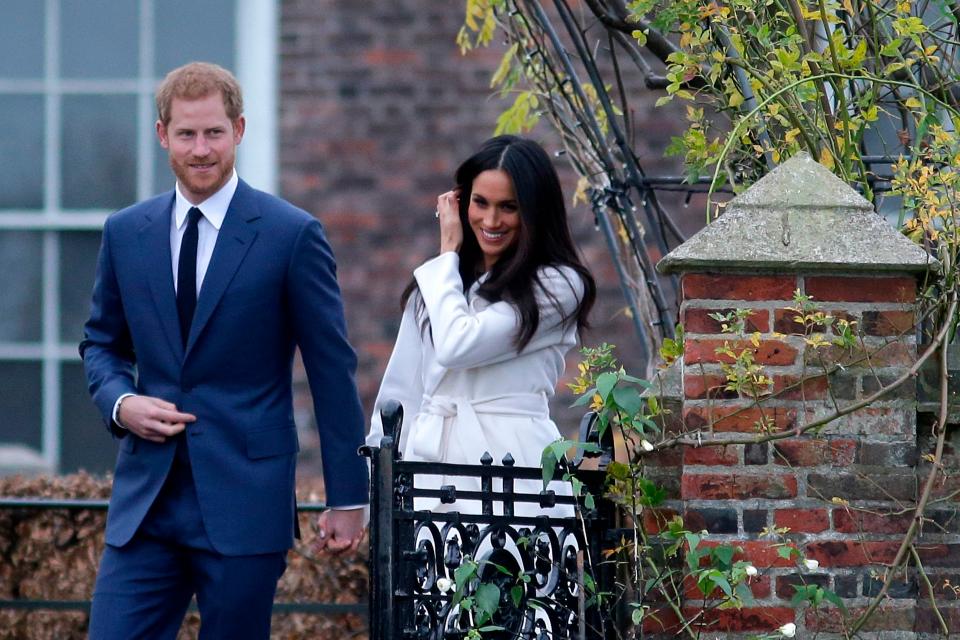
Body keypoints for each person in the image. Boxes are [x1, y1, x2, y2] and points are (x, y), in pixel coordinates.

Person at [79, 62, 368, 639]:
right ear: (163, 135)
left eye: (214, 132)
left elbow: (332, 371)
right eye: (186, 134)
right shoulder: (125, 232)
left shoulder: (291, 234)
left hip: (245, 498)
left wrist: (346, 497)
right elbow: (100, 345)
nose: (201, 149)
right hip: (147, 503)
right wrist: (121, 403)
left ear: (239, 129)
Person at [365, 135, 596, 515]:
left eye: (509, 207)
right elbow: (401, 392)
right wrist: (380, 490)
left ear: (534, 212)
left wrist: (446, 256)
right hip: (432, 471)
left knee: (516, 573)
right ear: (460, 202)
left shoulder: (560, 284)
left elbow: (459, 346)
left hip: (517, 474)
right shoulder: (435, 287)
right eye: (480, 203)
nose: (491, 221)